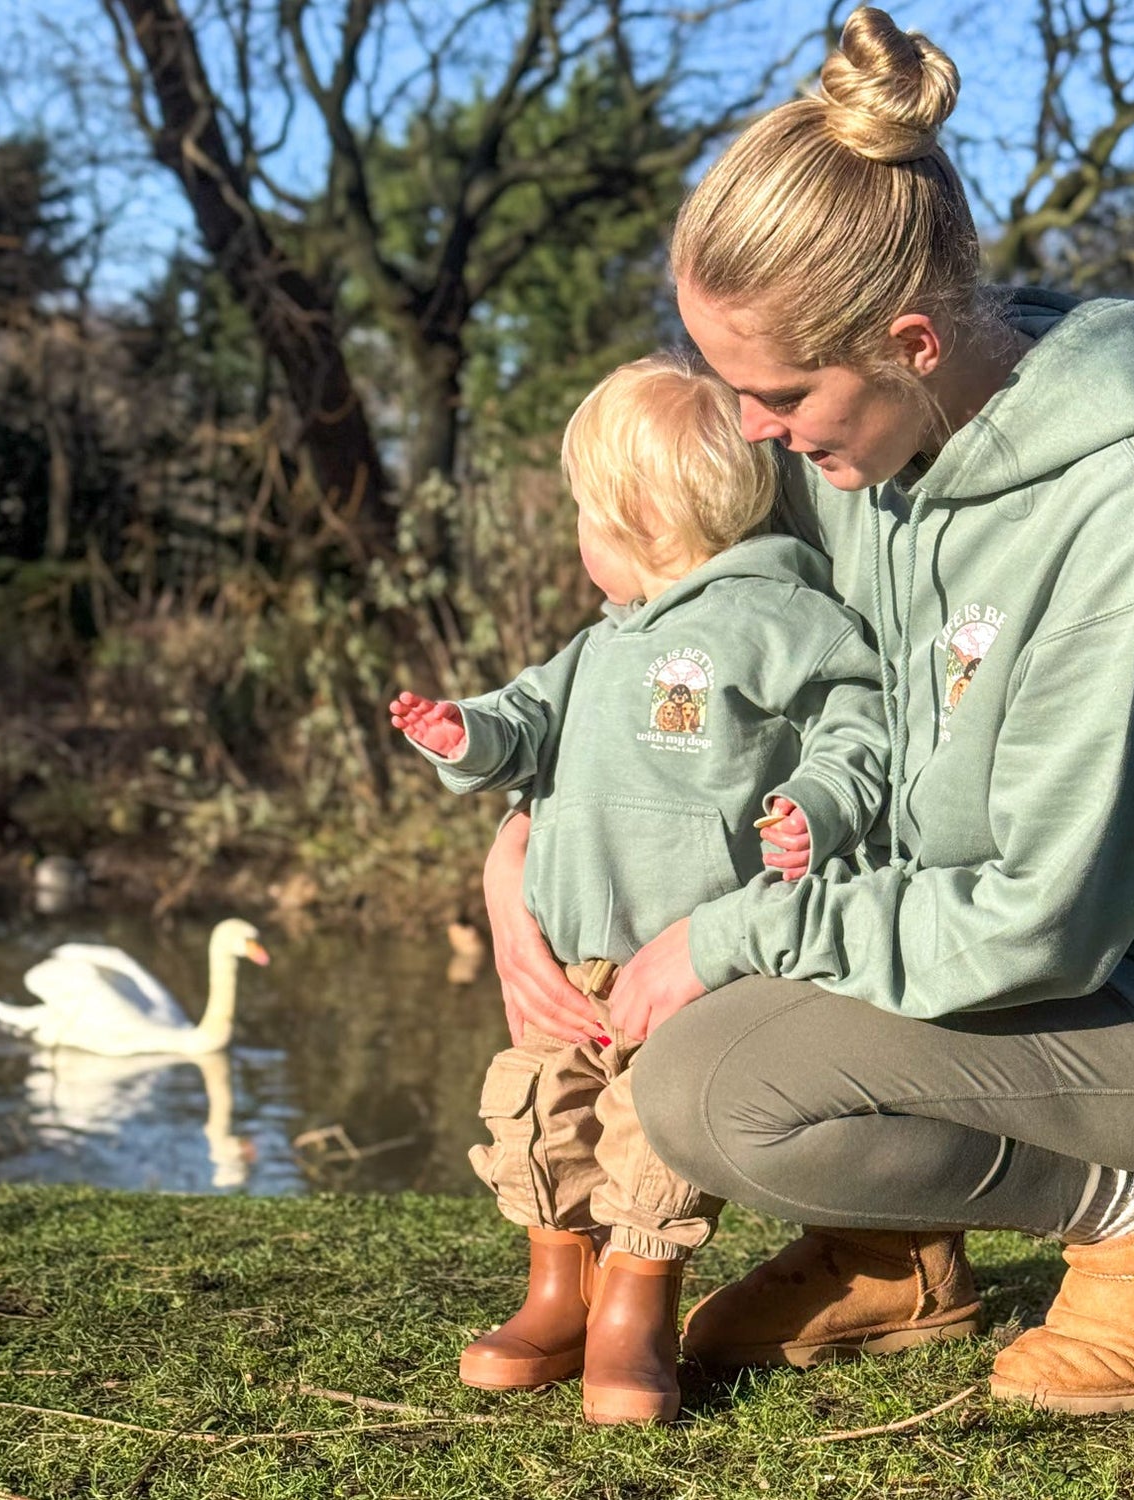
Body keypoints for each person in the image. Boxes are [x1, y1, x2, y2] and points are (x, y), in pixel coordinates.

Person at [483, 6, 1134, 1417]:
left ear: (906, 338)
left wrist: (729, 931)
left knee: (709, 1091)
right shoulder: (865, 466)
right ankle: (893, 1255)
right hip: (985, 972)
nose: (754, 434)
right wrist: (523, 847)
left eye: (775, 394)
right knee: (707, 1057)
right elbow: (673, 675)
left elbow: (1044, 920)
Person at [391, 352, 891, 1424]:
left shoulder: (773, 615)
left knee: (647, 1132)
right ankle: (557, 1291)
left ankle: (635, 1311)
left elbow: (858, 720)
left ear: (643, 520)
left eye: (587, 514)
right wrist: (461, 734)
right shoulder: (598, 647)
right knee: (541, 1108)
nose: (579, 538)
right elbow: (518, 724)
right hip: (574, 949)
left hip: (687, 958)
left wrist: (816, 804)